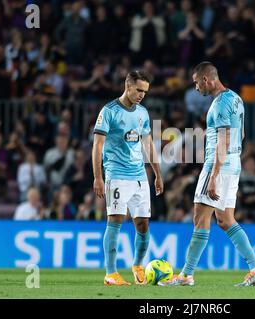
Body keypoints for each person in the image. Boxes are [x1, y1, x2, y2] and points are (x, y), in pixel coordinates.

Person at [163, 62, 255, 287]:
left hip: (217, 166)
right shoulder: (236, 99)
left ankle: (185, 276)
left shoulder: (220, 104)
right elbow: (240, 135)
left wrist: (213, 175)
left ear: (205, 79)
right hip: (234, 164)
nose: (195, 88)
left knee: (200, 218)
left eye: (195, 83)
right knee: (225, 219)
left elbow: (225, 139)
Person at [92, 70, 163, 286]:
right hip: (116, 173)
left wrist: (158, 173)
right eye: (139, 89)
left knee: (143, 224)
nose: (142, 94)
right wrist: (98, 177)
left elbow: (148, 144)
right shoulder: (109, 111)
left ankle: (138, 265)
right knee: (116, 220)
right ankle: (110, 273)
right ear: (128, 85)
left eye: (145, 91)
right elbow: (97, 146)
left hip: (139, 175)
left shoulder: (142, 113)